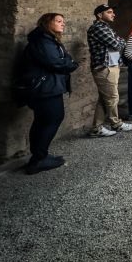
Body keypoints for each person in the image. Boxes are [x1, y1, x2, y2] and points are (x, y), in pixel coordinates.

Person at [20, 13, 78, 175]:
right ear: (47, 23)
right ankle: (38, 159)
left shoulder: (48, 40)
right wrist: (71, 64)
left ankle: (38, 156)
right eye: (58, 21)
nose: (63, 24)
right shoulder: (43, 41)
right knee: (52, 119)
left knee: (43, 121)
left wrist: (68, 62)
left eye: (63, 22)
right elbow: (57, 62)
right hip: (45, 88)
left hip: (48, 87)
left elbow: (64, 58)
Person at [87, 4, 132, 137]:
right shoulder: (97, 28)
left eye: (113, 12)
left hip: (111, 66)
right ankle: (116, 123)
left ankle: (96, 128)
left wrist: (120, 41)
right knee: (113, 97)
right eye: (109, 12)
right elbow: (117, 44)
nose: (113, 14)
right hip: (104, 67)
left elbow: (119, 42)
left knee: (104, 98)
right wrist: (120, 41)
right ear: (99, 15)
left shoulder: (107, 28)